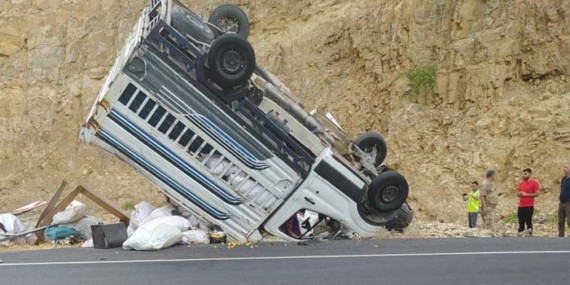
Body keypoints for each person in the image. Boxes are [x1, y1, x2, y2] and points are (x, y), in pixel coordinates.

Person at [517, 168, 540, 236]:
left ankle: (529, 236)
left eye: (525, 174)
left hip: (529, 206)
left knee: (528, 222)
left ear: (529, 174)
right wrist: (519, 193)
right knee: (521, 223)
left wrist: (526, 194)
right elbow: (518, 193)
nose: (523, 175)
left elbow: (537, 194)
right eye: (523, 174)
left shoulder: (534, 183)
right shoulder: (521, 183)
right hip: (521, 206)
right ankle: (520, 237)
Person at [558, 163, 570, 237]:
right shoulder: (563, 179)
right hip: (561, 203)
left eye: (566, 167)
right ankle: (561, 237)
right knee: (560, 221)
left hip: (568, 203)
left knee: (569, 221)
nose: (564, 169)